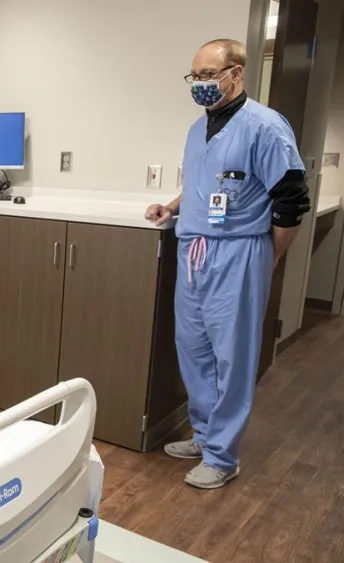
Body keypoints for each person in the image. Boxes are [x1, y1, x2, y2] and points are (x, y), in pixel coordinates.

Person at [145, 39, 310, 489]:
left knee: (231, 356)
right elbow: (203, 182)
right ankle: (204, 435)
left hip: (239, 250)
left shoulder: (265, 126)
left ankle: (223, 455)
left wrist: (272, 254)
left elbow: (292, 200)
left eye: (207, 76)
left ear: (235, 74)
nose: (199, 85)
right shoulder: (197, 129)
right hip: (193, 249)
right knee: (193, 348)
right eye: (194, 77)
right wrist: (173, 207)